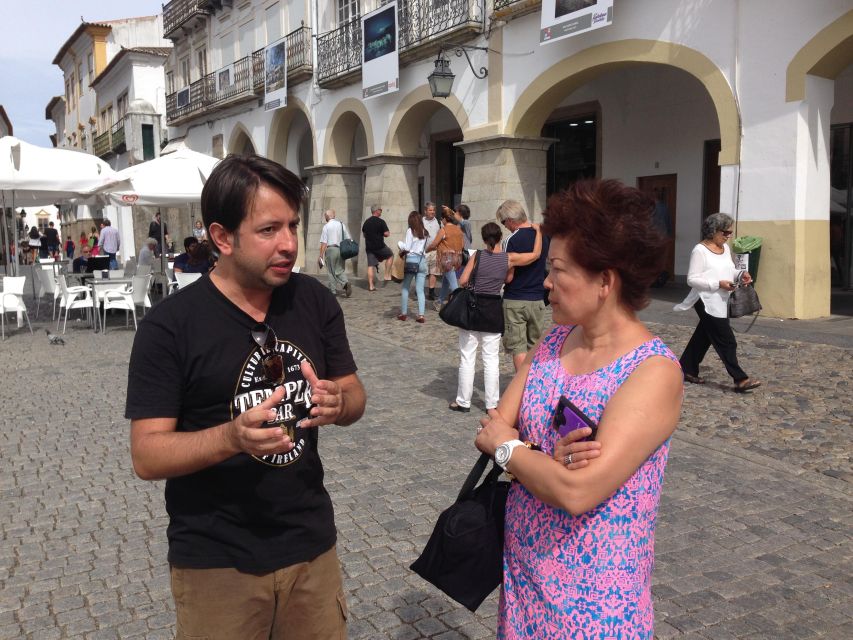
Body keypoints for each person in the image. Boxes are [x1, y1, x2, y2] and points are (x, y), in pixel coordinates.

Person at [126, 154, 366, 639]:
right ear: (222, 237)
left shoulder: (313, 300)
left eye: (293, 226)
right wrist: (232, 437)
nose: (289, 245)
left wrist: (340, 404)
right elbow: (147, 454)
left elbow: (354, 392)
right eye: (268, 230)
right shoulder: (170, 327)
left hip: (310, 549)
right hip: (218, 563)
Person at [475, 179, 683, 637]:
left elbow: (576, 493)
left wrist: (514, 453)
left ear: (605, 281)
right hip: (526, 577)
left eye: (558, 269)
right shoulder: (552, 342)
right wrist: (545, 460)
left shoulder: (652, 372)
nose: (546, 282)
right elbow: (493, 427)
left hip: (595, 602)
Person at [450, 221, 543, 413]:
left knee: (467, 357)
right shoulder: (508, 258)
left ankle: (463, 401)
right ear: (500, 237)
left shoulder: (478, 255)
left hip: (473, 309)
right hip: (493, 309)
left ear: (484, 239)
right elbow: (534, 255)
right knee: (491, 359)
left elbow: (463, 280)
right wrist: (539, 233)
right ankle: (492, 404)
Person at [674, 212, 762, 392]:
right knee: (726, 340)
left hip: (721, 299)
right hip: (705, 300)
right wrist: (717, 284)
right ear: (713, 231)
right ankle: (740, 379)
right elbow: (692, 279)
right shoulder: (700, 250)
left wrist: (740, 274)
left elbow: (729, 269)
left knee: (704, 336)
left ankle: (686, 368)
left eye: (730, 232)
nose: (729, 236)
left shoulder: (725, 249)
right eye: (725, 232)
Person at [497, 199, 550, 371]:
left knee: (518, 347)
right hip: (538, 298)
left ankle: (521, 388)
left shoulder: (510, 240)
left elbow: (509, 277)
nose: (504, 226)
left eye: (503, 222)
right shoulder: (543, 236)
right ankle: (533, 386)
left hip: (516, 299)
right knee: (534, 345)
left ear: (510, 220)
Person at [426, 205, 465, 311]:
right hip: (458, 258)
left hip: (447, 259)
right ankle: (439, 302)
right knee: (446, 281)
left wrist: (426, 250)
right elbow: (462, 245)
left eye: (441, 219)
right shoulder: (458, 230)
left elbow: (434, 244)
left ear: (444, 219)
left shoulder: (443, 230)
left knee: (454, 285)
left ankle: (461, 306)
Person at [398, 211, 429, 323]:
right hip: (422, 261)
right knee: (420, 290)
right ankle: (421, 315)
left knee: (406, 287)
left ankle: (404, 313)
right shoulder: (425, 232)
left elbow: (406, 247)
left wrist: (399, 244)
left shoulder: (410, 231)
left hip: (411, 260)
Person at [318, 209, 351, 298]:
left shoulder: (326, 226)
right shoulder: (341, 224)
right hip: (341, 249)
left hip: (331, 249)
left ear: (327, 216)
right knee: (339, 269)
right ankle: (346, 283)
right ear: (334, 216)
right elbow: (348, 238)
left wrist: (321, 255)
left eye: (325, 216)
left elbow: (324, 243)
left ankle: (332, 291)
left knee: (331, 271)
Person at [361, 204, 393, 291]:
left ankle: (371, 286)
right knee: (390, 255)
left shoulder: (366, 222)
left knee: (370, 266)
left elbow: (364, 234)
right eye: (380, 210)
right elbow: (387, 234)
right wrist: (380, 233)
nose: (381, 211)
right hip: (380, 246)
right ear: (377, 211)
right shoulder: (381, 222)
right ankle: (387, 274)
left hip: (369, 248)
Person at [421, 202, 442, 300]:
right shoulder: (421, 221)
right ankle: (419, 290)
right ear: (425, 211)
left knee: (433, 272)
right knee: (422, 272)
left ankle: (431, 293)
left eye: (433, 210)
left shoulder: (437, 221)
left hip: (434, 250)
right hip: (423, 251)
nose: (432, 212)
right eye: (430, 210)